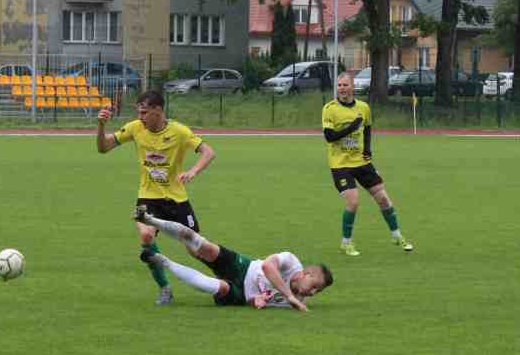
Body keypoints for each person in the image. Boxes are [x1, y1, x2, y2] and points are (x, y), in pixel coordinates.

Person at [97, 90, 216, 305]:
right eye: (139, 112)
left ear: (158, 110)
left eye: (144, 112)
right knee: (146, 237)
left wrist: (193, 171)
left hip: (177, 199)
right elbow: (103, 148)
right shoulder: (135, 128)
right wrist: (101, 126)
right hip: (148, 198)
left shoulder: (179, 131)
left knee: (197, 249)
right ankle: (164, 288)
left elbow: (209, 152)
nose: (140, 117)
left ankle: (226, 281)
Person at [133, 206, 332, 311]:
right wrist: (289, 295)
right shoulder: (291, 261)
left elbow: (256, 301)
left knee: (220, 287)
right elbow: (268, 266)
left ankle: (163, 261)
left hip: (239, 295)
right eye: (314, 285)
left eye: (318, 291)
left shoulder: (298, 301)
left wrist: (256, 301)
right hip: (244, 267)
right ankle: (149, 219)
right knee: (205, 248)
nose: (313, 292)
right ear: (306, 273)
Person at [323, 71, 412, 256]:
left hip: (361, 162)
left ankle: (397, 236)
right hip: (340, 165)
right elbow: (329, 137)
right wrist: (351, 127)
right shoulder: (329, 109)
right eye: (339, 85)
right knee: (353, 202)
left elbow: (368, 128)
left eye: (345, 85)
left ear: (352, 87)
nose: (342, 88)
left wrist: (368, 150)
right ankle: (346, 243)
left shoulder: (363, 107)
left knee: (384, 199)